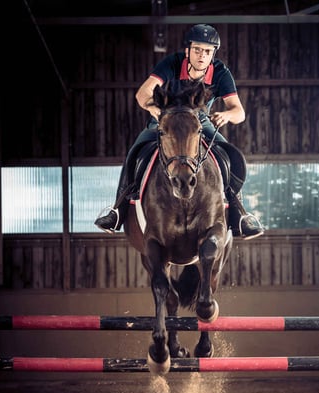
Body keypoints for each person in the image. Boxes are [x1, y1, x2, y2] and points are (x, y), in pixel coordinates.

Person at [95, 24, 264, 240]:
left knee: (229, 156)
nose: (202, 56)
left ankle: (240, 213)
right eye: (197, 50)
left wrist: (227, 116)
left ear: (213, 53)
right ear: (188, 50)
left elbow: (239, 112)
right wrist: (155, 110)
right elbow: (142, 94)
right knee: (135, 152)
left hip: (199, 122)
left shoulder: (220, 72)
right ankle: (117, 209)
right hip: (165, 119)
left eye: (207, 51)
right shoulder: (172, 63)